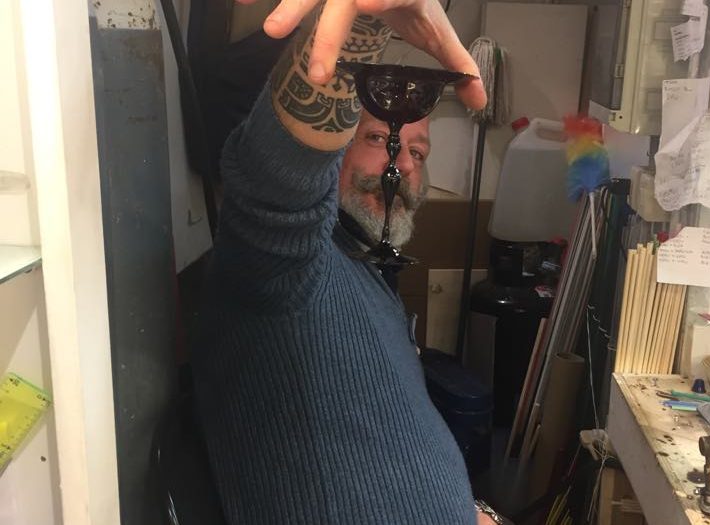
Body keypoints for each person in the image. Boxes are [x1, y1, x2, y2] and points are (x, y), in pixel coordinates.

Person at [190, 0, 501, 523]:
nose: (403, 164)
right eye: (378, 138)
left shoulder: (369, 271)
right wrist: (365, 22)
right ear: (334, 150)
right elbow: (278, 181)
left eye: (418, 153)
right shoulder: (287, 269)